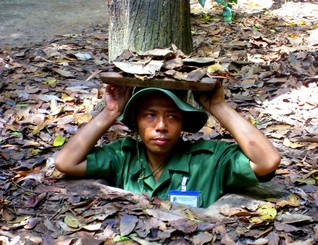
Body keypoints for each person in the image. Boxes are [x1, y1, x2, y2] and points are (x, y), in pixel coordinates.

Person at [54, 82, 281, 208]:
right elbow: (66, 162)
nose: (161, 126)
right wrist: (111, 112)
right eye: (150, 116)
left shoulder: (209, 160)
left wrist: (218, 106)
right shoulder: (124, 156)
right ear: (136, 121)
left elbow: (267, 161)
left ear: (183, 122)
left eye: (172, 117)